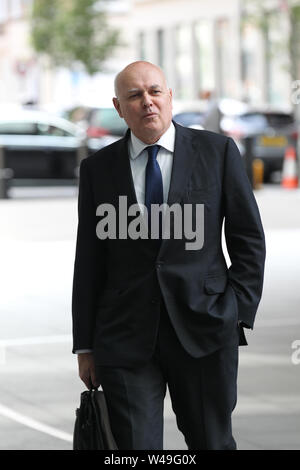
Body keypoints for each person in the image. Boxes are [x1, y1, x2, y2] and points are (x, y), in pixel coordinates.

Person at [72, 61, 266, 450]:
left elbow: (249, 239)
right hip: (125, 336)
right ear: (118, 106)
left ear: (170, 96)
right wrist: (85, 345)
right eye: (134, 96)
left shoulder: (218, 152)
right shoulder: (98, 169)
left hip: (205, 329)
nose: (147, 102)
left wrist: (235, 311)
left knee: (211, 442)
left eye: (155, 91)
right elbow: (89, 259)